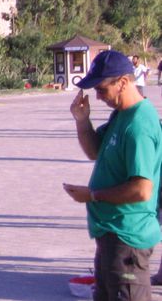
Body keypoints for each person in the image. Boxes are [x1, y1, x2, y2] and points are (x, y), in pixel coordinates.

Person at [63, 50, 162, 301]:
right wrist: (82, 121)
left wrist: (93, 195)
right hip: (111, 234)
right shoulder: (121, 115)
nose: (97, 96)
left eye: (102, 89)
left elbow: (142, 190)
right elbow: (94, 151)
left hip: (128, 237)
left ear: (123, 83)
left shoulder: (139, 125)